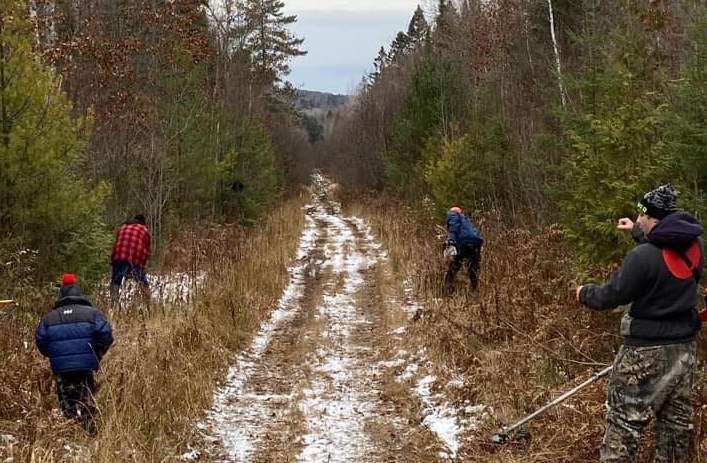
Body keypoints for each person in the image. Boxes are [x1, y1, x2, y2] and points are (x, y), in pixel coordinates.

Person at [575, 184, 703, 462]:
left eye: (642, 214)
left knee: (623, 426)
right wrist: (635, 229)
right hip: (684, 350)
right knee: (674, 427)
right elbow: (662, 252)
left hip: (644, 353)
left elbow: (612, 294)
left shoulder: (640, 258)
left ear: (655, 219)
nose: (639, 217)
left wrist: (584, 292)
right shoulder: (694, 248)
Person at [35, 273, 114, 434]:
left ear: (61, 294)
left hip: (62, 368)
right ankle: (90, 432)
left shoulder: (49, 318)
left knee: (66, 400)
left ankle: (70, 431)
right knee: (86, 398)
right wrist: (97, 353)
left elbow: (40, 339)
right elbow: (106, 334)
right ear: (79, 293)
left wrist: (54, 354)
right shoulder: (92, 313)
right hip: (86, 366)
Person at [110, 214, 151, 304]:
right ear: (143, 223)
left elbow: (116, 245)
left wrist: (113, 262)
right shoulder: (144, 230)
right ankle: (148, 305)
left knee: (115, 282)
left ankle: (114, 305)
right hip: (134, 260)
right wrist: (142, 266)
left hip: (119, 258)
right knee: (143, 284)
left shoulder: (122, 227)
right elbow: (147, 251)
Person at [444, 206, 484, 291]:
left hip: (463, 243)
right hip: (476, 243)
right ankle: (475, 289)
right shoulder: (466, 219)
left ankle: (447, 289)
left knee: (454, 266)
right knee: (473, 268)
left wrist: (451, 241)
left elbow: (453, 228)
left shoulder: (453, 215)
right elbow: (475, 232)